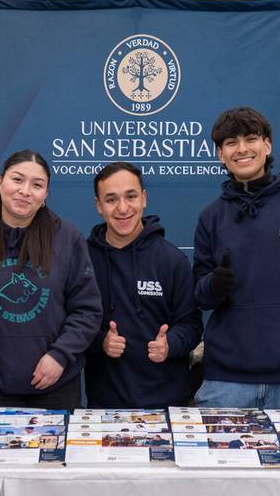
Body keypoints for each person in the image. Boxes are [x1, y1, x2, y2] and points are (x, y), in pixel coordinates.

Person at [0, 149, 102, 411]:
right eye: (17, 180)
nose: (25, 191)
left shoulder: (68, 239)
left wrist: (60, 355)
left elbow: (87, 309)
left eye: (37, 185)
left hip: (56, 383)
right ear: (0, 184)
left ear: (45, 196)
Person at [85, 162, 203, 408]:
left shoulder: (171, 260)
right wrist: (101, 341)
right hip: (103, 407)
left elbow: (191, 325)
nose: (123, 208)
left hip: (168, 404)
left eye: (131, 196)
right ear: (98, 205)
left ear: (144, 199)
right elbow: (70, 322)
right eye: (111, 199)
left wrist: (170, 343)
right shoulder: (83, 260)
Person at [193, 107, 280, 408]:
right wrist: (214, 286)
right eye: (231, 142)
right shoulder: (211, 216)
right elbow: (200, 294)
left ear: (267, 145)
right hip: (226, 382)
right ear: (221, 154)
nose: (242, 149)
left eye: (251, 138)